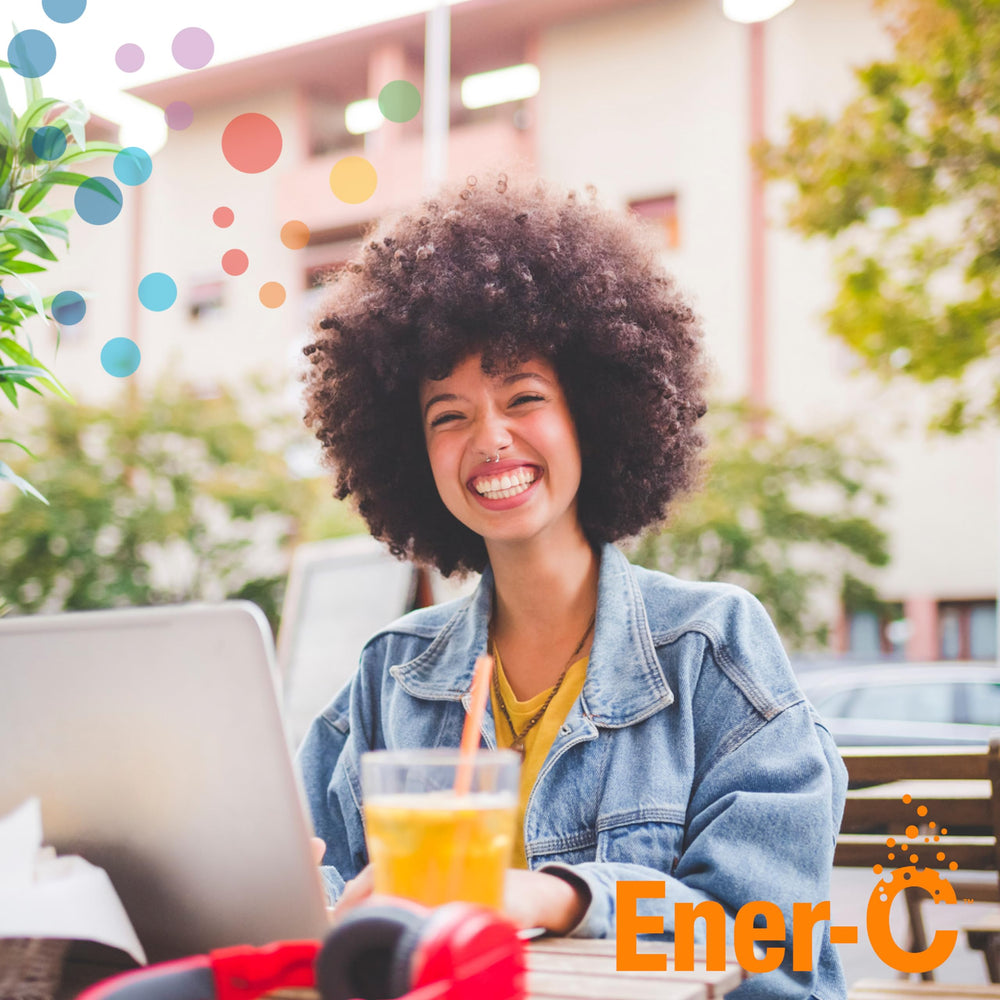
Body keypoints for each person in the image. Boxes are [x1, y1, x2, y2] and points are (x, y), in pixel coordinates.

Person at [297, 172, 847, 999]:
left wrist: (554, 898)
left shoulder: (713, 648)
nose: (490, 438)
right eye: (448, 415)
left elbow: (771, 940)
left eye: (524, 397)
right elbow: (311, 885)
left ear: (592, 413)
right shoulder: (391, 676)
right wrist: (315, 900)